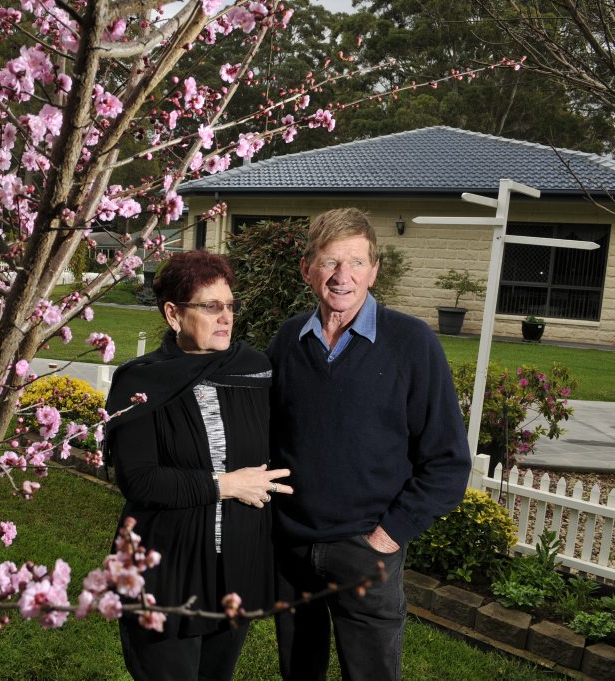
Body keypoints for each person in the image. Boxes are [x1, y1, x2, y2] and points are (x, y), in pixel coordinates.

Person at [266, 207, 471, 681]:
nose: (343, 276)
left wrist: (385, 538)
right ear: (307, 268)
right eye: (330, 261)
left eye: (356, 262)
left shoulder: (412, 343)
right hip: (292, 553)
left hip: (365, 551)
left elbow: (447, 461)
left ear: (375, 270)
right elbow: (270, 435)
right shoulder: (287, 341)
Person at [104, 249, 293, 681]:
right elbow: (139, 479)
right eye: (211, 306)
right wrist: (224, 485)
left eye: (229, 305)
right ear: (173, 314)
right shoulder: (140, 381)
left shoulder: (255, 370)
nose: (225, 317)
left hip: (237, 570)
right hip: (166, 571)